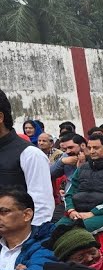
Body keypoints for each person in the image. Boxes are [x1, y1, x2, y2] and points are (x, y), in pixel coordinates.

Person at [0, 90, 56, 228]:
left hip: (15, 237)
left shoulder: (30, 154)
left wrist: (29, 239)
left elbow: (41, 207)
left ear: (0, 117)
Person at [58, 133, 103, 236]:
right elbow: (69, 193)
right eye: (89, 148)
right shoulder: (82, 168)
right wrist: (71, 210)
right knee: (54, 231)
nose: (92, 151)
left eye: (96, 148)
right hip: (78, 214)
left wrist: (93, 212)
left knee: (78, 233)